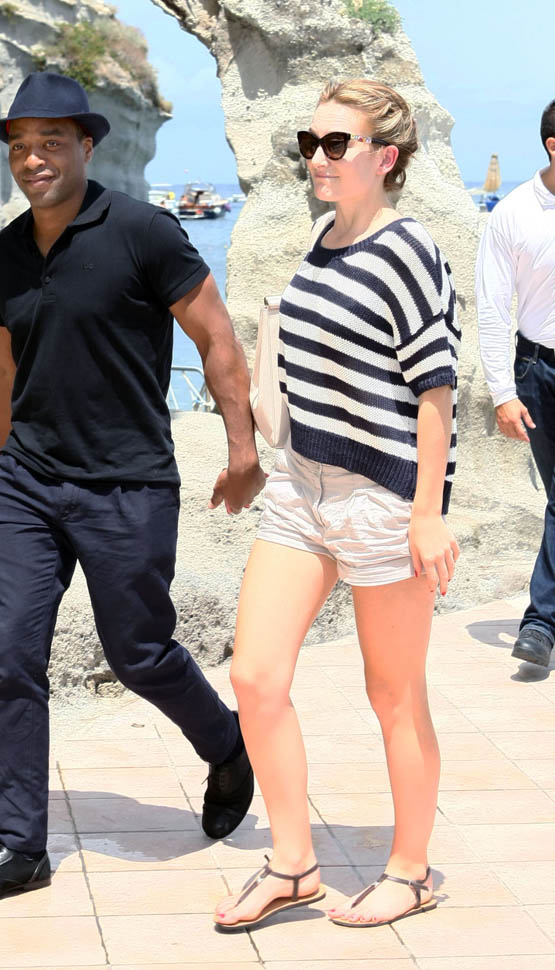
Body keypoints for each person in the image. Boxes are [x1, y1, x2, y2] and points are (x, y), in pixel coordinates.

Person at [0, 71, 265, 909]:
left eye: (51, 142)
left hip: (127, 481)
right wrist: (1, 459)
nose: (33, 158)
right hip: (28, 485)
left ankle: (227, 746)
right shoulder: (10, 246)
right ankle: (19, 847)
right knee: (8, 657)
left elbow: (215, 336)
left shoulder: (145, 232)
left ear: (86, 145)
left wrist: (241, 449)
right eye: (19, 145)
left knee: (139, 654)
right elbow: (4, 360)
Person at [212, 79, 461, 930]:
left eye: (334, 143)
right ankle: (292, 865)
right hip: (301, 490)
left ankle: (411, 872)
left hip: (380, 499)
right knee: (253, 676)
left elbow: (434, 390)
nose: (315, 158)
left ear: (384, 157)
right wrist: (258, 460)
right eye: (308, 142)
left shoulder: (407, 249)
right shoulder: (321, 238)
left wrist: (426, 512)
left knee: (393, 694)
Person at [475, 98, 555, 669]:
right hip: (538, 370)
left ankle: (540, 624)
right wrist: (502, 391)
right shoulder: (513, 214)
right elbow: (491, 307)